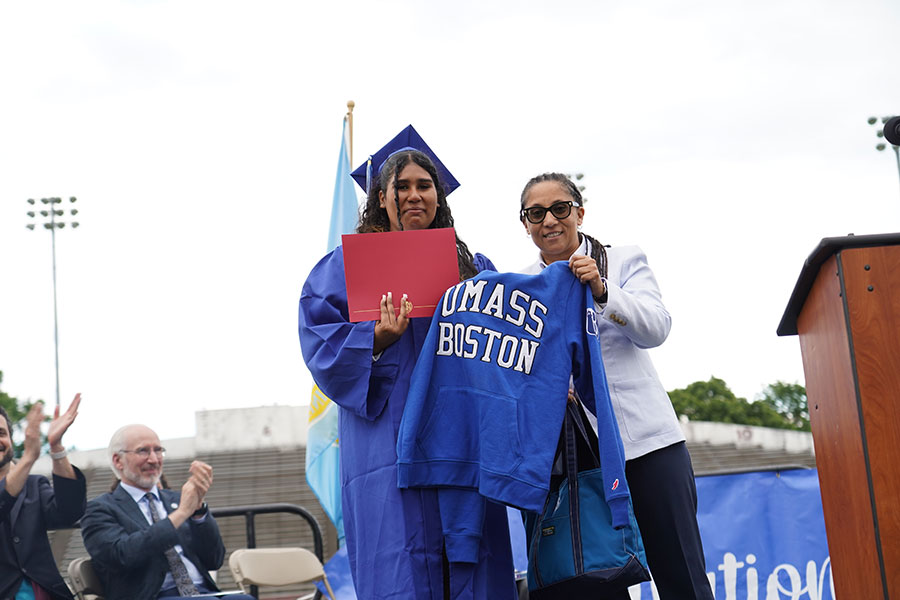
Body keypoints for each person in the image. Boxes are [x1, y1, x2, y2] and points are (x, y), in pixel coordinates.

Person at [298, 125, 516, 600]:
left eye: (424, 185)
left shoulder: (473, 267)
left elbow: (509, 338)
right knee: (399, 559)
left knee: (474, 558)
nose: (414, 195)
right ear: (380, 196)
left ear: (439, 196)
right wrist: (375, 339)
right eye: (402, 186)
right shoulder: (342, 268)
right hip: (386, 439)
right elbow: (320, 342)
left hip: (463, 434)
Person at [518, 172, 714, 599]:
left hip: (648, 448)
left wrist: (603, 291)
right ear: (526, 223)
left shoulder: (622, 260)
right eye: (536, 213)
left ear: (580, 212)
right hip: (580, 462)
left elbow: (656, 328)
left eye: (559, 209)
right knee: (596, 583)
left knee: (682, 577)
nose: (549, 220)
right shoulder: (523, 287)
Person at [80, 424, 254, 600]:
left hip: (203, 593)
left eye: (158, 450)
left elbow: (214, 560)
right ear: (118, 460)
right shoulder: (100, 509)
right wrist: (180, 514)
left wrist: (198, 511)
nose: (154, 459)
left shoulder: (176, 500)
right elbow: (121, 556)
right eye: (143, 451)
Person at [0, 394, 85, 600]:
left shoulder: (34, 485)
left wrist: (56, 448)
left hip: (46, 592)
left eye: (1, 433)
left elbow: (70, 513)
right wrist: (29, 458)